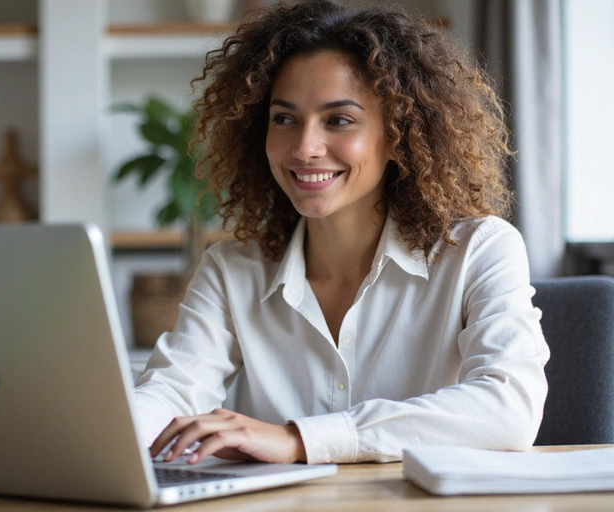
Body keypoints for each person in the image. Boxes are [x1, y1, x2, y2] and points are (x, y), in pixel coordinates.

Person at [132, 0, 549, 465]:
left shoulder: (479, 251)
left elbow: (510, 408)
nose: (305, 147)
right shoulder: (232, 271)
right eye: (284, 118)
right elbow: (172, 391)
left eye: (339, 120)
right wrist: (111, 435)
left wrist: (299, 440)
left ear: (397, 133)